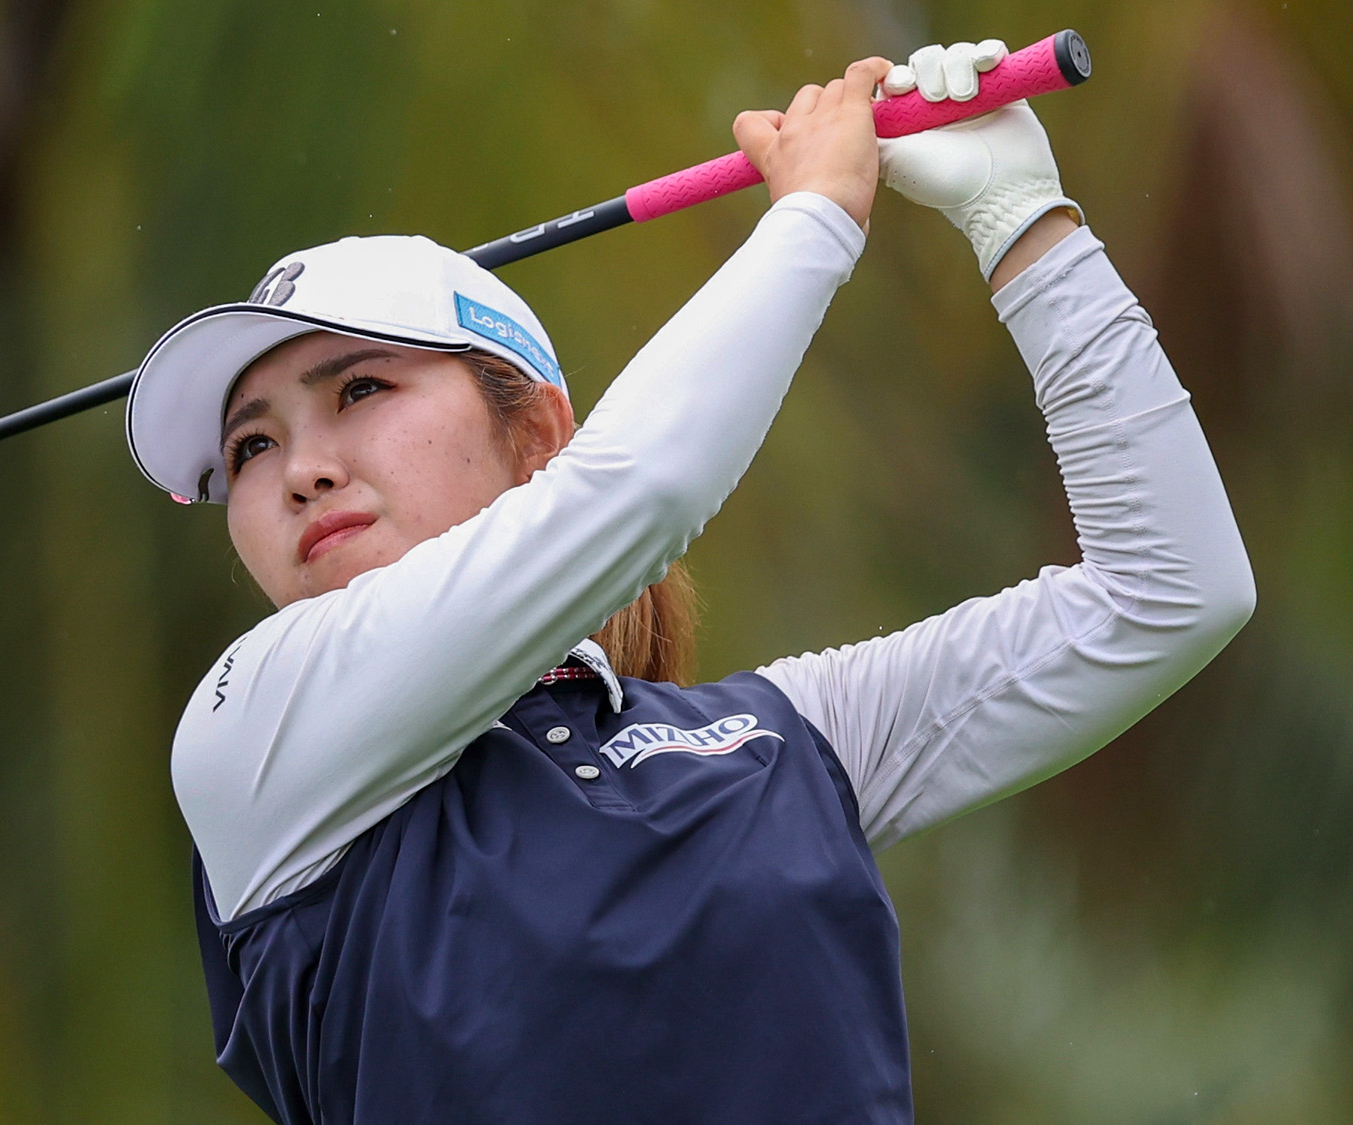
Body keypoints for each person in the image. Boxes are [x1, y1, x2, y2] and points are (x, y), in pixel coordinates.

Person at [122, 42, 1254, 1124]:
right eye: (251, 449)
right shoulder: (253, 739)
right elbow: (639, 492)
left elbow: (1165, 595)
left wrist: (1021, 225)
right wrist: (812, 213)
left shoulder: (782, 742)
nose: (300, 470)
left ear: (534, 438)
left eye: (359, 389)